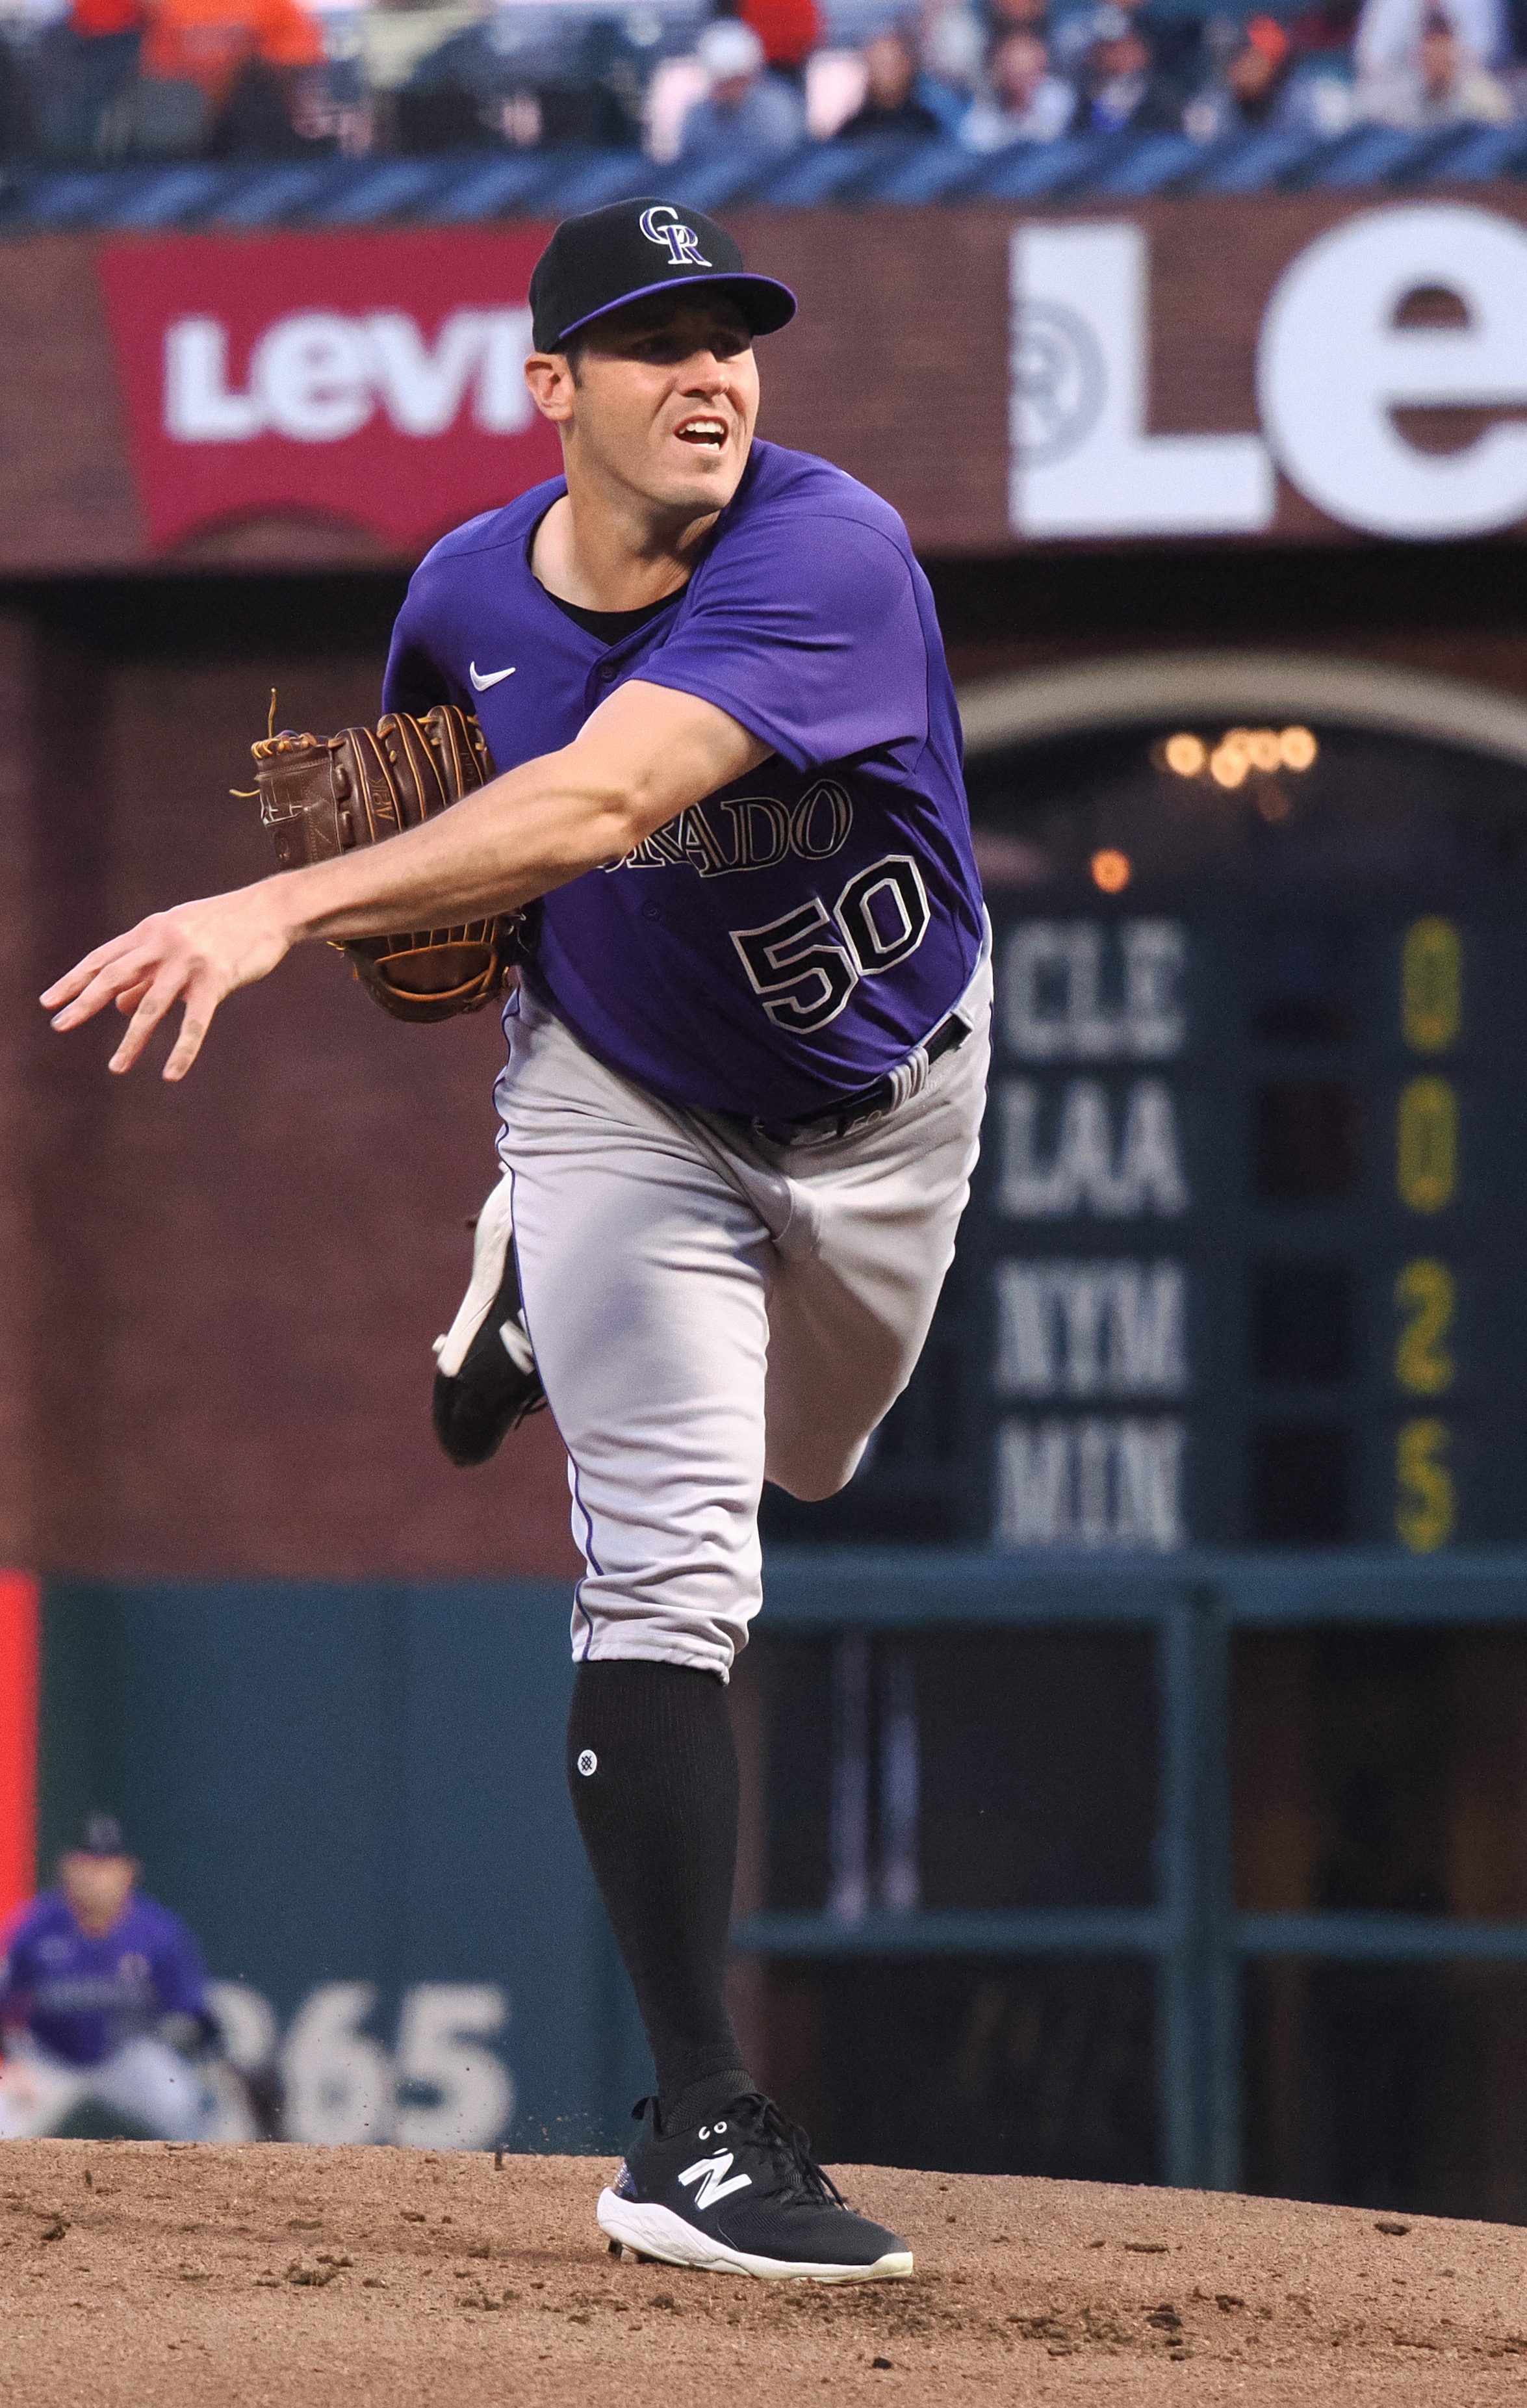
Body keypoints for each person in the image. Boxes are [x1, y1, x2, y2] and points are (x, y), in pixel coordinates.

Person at [42, 195, 990, 2283]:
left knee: (808, 1459)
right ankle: (697, 2121)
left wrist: (276, 906)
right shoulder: (465, 586)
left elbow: (591, 801)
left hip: (883, 1107)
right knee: (672, 1573)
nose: (713, 371)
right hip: (621, 1096)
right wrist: (378, 898)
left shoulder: (827, 549)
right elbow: (447, 838)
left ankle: (525, 1275)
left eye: (734, 334)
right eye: (657, 340)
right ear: (550, 386)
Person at [0, 1815, 219, 2142]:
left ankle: (222, 2191)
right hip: (46, 2059)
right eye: (87, 1864)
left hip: (126, 2057)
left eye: (107, 1865)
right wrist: (10, 2064)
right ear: (67, 1869)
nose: (96, 1876)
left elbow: (198, 2016)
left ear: (128, 1872)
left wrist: (215, 2061)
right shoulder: (33, 1927)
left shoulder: (158, 1932)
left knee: (186, 2108)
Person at [676, 18, 804, 162]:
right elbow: (692, 161)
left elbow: (781, 160)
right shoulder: (701, 114)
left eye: (733, 82)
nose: (723, 91)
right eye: (720, 83)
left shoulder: (775, 110)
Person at [1355, 0, 1512, 116]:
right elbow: (1370, 60)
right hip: (1402, 90)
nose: (1436, 53)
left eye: (1442, 45)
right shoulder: (1392, 5)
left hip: (1464, 89)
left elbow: (1486, 52)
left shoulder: (1485, 101)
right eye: (1429, 45)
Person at [959, 23, 1073, 141]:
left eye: (1030, 74)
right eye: (1016, 74)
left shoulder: (1057, 98)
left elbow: (1051, 135)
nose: (1025, 82)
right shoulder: (979, 121)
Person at [836, 22, 947, 135]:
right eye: (880, 64)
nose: (888, 72)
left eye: (894, 63)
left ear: (909, 66)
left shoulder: (930, 126)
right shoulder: (853, 130)